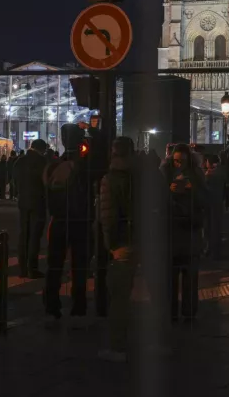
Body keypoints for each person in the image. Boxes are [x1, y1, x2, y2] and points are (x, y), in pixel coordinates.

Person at [42, 124, 91, 322]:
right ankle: (78, 307)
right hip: (80, 220)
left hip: (59, 220)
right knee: (79, 266)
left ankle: (51, 306)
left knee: (54, 265)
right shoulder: (84, 166)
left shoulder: (53, 166)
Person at [96, 137, 138, 362]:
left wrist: (111, 245)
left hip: (122, 241)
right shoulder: (141, 177)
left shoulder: (110, 180)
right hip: (142, 238)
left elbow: (108, 216)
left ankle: (117, 347)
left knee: (119, 295)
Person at [161, 144, 206, 320]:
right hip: (171, 230)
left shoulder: (196, 175)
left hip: (190, 230)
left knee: (190, 276)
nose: (179, 164)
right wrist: (169, 192)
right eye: (176, 160)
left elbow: (205, 200)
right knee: (170, 277)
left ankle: (189, 311)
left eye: (182, 161)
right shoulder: (164, 173)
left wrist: (191, 189)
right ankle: (170, 312)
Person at [13, 139, 48, 279]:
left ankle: (22, 268)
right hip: (38, 201)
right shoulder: (42, 162)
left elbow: (14, 181)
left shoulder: (19, 161)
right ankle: (32, 268)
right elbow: (46, 182)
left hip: (23, 201)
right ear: (42, 149)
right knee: (35, 235)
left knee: (24, 234)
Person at [202, 153, 226, 260]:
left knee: (209, 227)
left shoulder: (209, 175)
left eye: (207, 161)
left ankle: (210, 249)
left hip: (210, 203)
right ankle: (216, 249)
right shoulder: (220, 172)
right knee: (216, 227)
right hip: (218, 202)